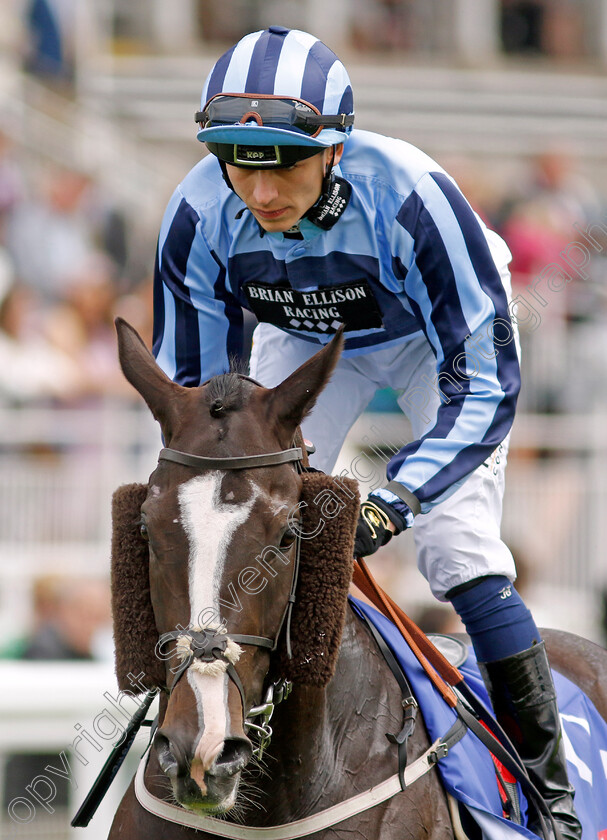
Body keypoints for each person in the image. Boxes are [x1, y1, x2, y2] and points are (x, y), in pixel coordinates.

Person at [151, 26, 580, 839]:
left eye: (281, 160)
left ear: (336, 150)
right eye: (237, 160)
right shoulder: (196, 214)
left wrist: (397, 500)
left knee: (456, 551)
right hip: (312, 344)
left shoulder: (415, 198)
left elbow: (482, 383)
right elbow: (199, 404)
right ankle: (207, 722)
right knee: (233, 527)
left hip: (433, 342)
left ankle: (547, 797)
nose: (259, 190)